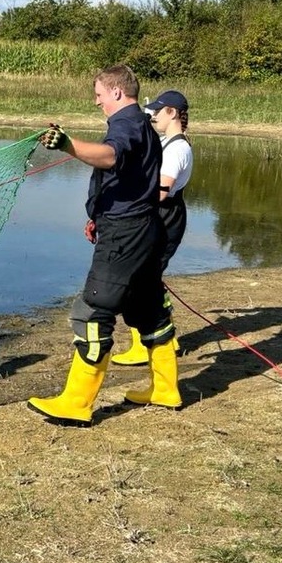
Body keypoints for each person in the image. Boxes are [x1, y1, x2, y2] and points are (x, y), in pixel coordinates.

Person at [27, 64, 180, 426]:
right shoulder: (140, 123)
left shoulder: (126, 123)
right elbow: (128, 176)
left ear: (116, 92)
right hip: (142, 230)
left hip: (125, 235)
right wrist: (99, 213)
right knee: (148, 309)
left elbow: (111, 156)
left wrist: (66, 145)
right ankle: (165, 390)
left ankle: (76, 404)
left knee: (92, 312)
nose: (96, 102)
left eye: (98, 95)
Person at [111, 89, 193, 365]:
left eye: (158, 111)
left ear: (172, 113)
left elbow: (159, 192)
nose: (154, 116)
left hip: (166, 217)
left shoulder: (178, 148)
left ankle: (153, 342)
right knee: (147, 280)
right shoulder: (166, 140)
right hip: (158, 216)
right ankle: (162, 340)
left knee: (143, 281)